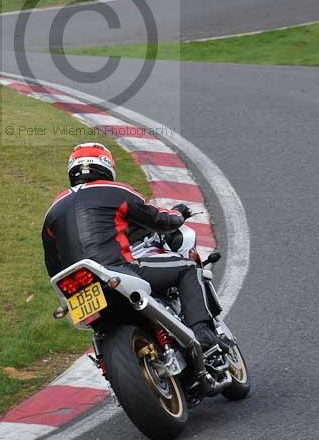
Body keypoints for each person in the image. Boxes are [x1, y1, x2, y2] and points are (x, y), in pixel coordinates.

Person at [42, 142, 221, 350]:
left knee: (100, 329)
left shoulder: (52, 211)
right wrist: (179, 214)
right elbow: (159, 219)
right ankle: (203, 332)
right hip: (117, 269)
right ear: (106, 166)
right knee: (187, 268)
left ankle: (107, 362)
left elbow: (52, 263)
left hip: (78, 287)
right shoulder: (115, 190)